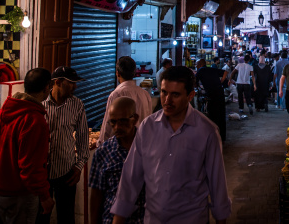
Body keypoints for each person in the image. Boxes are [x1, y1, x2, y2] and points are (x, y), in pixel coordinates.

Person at [110, 67, 231, 224]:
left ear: (190, 96)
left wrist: (221, 218)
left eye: (175, 95)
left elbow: (217, 184)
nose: (167, 100)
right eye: (164, 92)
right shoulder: (147, 128)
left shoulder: (207, 132)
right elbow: (130, 179)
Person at [0, 68, 54, 224]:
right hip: (18, 193)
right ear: (46, 89)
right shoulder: (35, 120)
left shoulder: (5, 110)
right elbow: (30, 167)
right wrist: (45, 196)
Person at [38, 66, 89, 224]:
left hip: (66, 172)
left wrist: (79, 165)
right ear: (58, 82)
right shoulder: (40, 105)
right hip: (41, 174)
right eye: (71, 83)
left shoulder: (77, 105)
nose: (75, 87)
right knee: (40, 218)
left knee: (66, 217)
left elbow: (82, 137)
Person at [89, 97, 145, 224]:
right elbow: (96, 195)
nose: (117, 127)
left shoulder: (148, 148)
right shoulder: (103, 153)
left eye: (123, 121)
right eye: (113, 122)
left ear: (135, 119)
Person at [96, 56, 153, 148]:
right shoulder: (145, 94)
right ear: (134, 73)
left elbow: (108, 124)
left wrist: (101, 144)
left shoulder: (115, 94)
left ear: (117, 73)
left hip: (120, 147)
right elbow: (149, 122)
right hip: (141, 146)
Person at [196, 58, 228, 142]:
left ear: (199, 65)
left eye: (196, 64)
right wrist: (220, 82)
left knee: (213, 115)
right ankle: (222, 137)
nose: (196, 66)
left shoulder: (200, 71)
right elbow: (225, 72)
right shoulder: (211, 69)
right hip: (220, 93)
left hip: (212, 94)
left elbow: (194, 83)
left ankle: (214, 137)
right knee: (221, 114)